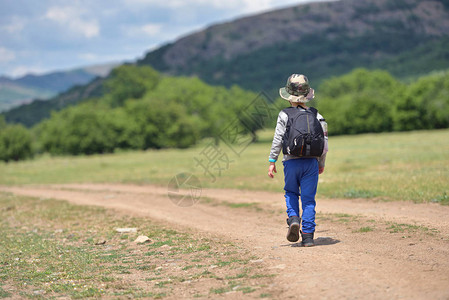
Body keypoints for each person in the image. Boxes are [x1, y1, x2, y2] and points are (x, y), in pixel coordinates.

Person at [267, 74, 328, 247]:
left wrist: (272, 161)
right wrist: (321, 163)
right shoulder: (318, 116)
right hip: (311, 163)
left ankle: (294, 218)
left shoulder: (284, 114)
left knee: (291, 193)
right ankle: (308, 236)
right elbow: (324, 144)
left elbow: (278, 138)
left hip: (291, 162)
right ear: (308, 94)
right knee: (308, 199)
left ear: (288, 95)